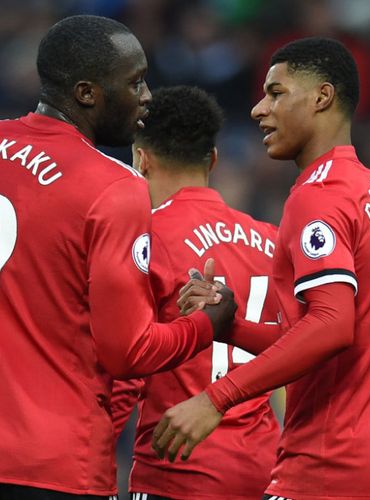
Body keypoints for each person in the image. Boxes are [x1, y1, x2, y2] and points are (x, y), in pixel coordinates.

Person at [0, 15, 236, 500]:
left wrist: (22, 273)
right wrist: (209, 324)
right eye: (135, 81)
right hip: (56, 467)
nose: (147, 97)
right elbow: (128, 351)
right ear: (86, 93)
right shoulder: (114, 185)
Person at [152, 38, 370, 499]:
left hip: (331, 470)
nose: (257, 109)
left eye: (275, 93)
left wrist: (217, 398)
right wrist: (233, 327)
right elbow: (337, 340)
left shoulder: (318, 194)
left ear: (321, 98)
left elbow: (331, 326)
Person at [110, 86, 281, 500]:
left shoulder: (144, 240)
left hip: (177, 470)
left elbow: (123, 375)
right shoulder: (271, 241)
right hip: (265, 469)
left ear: (140, 159)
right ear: (214, 160)